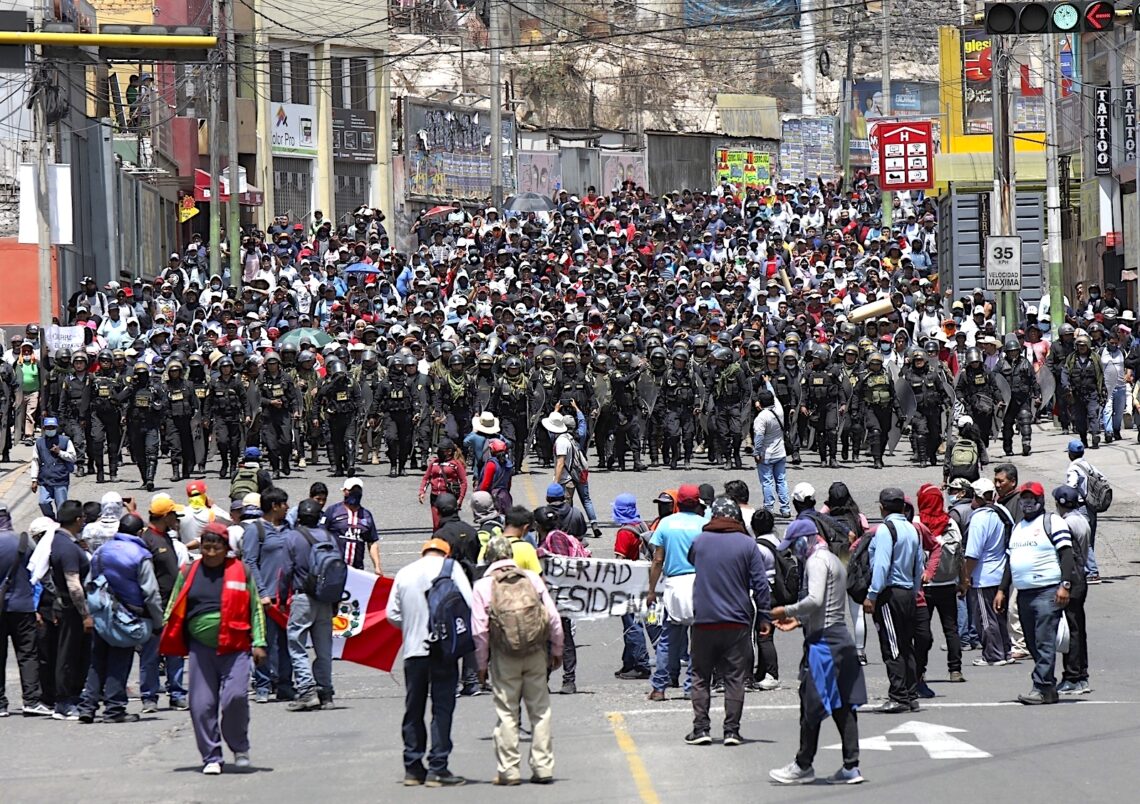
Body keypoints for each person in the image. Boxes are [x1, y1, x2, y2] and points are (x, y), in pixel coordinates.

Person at [160, 522, 267, 774]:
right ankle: (211, 756)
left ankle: (239, 746)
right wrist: (166, 632)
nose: (210, 553)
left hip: (236, 646)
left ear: (225, 548)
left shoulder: (242, 571)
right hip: (201, 649)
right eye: (206, 547)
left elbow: (256, 610)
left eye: (215, 547)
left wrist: (260, 642)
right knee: (201, 704)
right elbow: (174, 604)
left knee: (235, 698)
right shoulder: (188, 571)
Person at [769, 519, 866, 785]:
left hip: (824, 643)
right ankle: (851, 765)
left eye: (795, 545)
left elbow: (815, 599)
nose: (794, 552)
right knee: (843, 704)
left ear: (806, 540)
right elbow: (827, 603)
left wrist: (786, 610)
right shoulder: (834, 559)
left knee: (811, 702)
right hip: (839, 636)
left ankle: (803, 764)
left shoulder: (816, 561)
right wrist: (799, 621)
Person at [471, 534, 563, 786]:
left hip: (503, 656)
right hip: (535, 653)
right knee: (540, 711)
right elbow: (553, 617)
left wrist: (480, 666)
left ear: (489, 557)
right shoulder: (532, 579)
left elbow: (479, 631)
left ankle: (509, 771)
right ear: (511, 557)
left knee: (507, 713)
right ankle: (543, 768)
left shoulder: (482, 586)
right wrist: (557, 649)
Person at [684, 497, 771, 747]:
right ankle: (731, 731)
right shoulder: (747, 544)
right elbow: (760, 584)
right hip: (737, 621)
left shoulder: (700, 541)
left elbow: (692, 560)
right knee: (735, 677)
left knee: (700, 675)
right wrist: (764, 615)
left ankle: (701, 728)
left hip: (704, 619)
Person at [387, 537, 473, 788]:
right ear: (445, 554)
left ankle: (413, 769)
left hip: (414, 651)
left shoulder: (404, 572)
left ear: (423, 553)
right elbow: (467, 605)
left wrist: (411, 626)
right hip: (444, 650)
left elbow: (391, 613)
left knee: (413, 709)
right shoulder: (452, 569)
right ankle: (438, 767)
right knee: (442, 708)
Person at [77, 515, 165, 724]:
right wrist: (158, 621)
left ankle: (87, 707)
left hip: (101, 612)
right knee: (120, 660)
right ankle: (114, 709)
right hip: (127, 616)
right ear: (140, 532)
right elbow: (150, 592)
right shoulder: (140, 554)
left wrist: (90, 613)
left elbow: (89, 582)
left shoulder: (102, 551)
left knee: (97, 660)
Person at [997, 482, 1075, 705]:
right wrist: (1002, 589)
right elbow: (1010, 561)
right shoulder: (1018, 526)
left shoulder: (1052, 522)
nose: (1027, 503)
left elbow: (1067, 554)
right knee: (1031, 642)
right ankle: (1049, 688)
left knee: (1044, 641)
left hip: (1047, 592)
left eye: (1032, 499)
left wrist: (1065, 585)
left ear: (1040, 501)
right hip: (1024, 594)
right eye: (1024, 499)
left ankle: (1040, 687)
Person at [862, 487, 925, 713]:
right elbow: (919, 564)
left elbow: (881, 564)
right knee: (906, 645)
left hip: (890, 593)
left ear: (882, 507)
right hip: (909, 592)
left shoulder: (885, 530)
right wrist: (915, 590)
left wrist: (872, 594)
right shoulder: (912, 529)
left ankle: (898, 696)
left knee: (892, 646)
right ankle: (910, 694)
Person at [645, 484, 705, 701]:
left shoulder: (666, 524)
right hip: (699, 584)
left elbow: (657, 559)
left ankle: (659, 687)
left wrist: (651, 590)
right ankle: (691, 686)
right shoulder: (704, 524)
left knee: (668, 639)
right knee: (698, 639)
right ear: (698, 503)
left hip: (674, 584)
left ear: (677, 502)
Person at [285, 499, 339, 711]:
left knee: (296, 643)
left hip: (302, 597)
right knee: (324, 648)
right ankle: (326, 692)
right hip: (325, 598)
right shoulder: (329, 537)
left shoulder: (293, 537)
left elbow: (286, 571)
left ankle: (307, 691)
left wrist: (281, 597)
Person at [241, 486, 294, 704]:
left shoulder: (289, 528)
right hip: (267, 598)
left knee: (288, 643)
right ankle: (263, 684)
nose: (287, 507)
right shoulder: (256, 530)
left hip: (287, 598)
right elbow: (249, 562)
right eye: (284, 504)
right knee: (265, 642)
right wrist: (261, 592)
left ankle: (285, 684)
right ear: (274, 506)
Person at [0, 503, 51, 717]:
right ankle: (31, 700)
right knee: (27, 654)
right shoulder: (22, 541)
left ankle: (0, 704)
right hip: (23, 605)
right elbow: (38, 571)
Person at [139, 494, 189, 713]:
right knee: (151, 654)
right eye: (174, 515)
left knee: (175, 653)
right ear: (165, 516)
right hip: (153, 608)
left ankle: (177, 693)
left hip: (173, 605)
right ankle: (149, 697)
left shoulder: (167, 537)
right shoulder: (147, 540)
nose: (176, 518)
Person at [534, 505, 589, 695]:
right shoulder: (549, 537)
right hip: (551, 597)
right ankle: (544, 680)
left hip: (558, 598)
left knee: (562, 639)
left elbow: (560, 564)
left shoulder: (554, 538)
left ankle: (568, 680)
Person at [916, 483, 966, 684]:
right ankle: (955, 670)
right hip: (948, 582)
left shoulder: (917, 523)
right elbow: (959, 555)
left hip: (924, 585)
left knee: (921, 631)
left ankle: (920, 670)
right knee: (951, 628)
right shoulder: (950, 523)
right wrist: (963, 580)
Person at [45, 500, 91, 720]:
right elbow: (73, 584)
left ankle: (71, 697)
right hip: (70, 609)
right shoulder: (66, 547)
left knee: (76, 654)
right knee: (67, 655)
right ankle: (63, 702)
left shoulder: (64, 542)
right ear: (77, 519)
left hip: (66, 606)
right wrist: (85, 614)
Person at [1052, 485, 1091, 695]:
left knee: (1071, 629)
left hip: (1073, 578)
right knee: (1078, 628)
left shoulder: (1066, 524)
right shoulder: (1082, 520)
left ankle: (1073, 676)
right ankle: (1081, 675)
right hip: (1080, 576)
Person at [612, 493, 655, 679]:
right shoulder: (643, 525)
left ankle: (641, 664)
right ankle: (628, 662)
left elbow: (619, 561)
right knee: (635, 622)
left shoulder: (624, 533)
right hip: (645, 580)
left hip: (629, 584)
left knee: (632, 625)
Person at [548, 407, 601, 539]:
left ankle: (567, 531)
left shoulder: (561, 440)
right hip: (579, 472)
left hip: (567, 478)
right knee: (587, 499)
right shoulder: (579, 436)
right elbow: (582, 424)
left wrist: (555, 482)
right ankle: (594, 524)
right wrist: (578, 410)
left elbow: (560, 463)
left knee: (566, 506)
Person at [1064, 439, 1102, 583]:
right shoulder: (1088, 465)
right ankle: (1088, 569)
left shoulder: (1073, 468)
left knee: (1083, 541)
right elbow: (1102, 478)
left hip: (1081, 506)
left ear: (1070, 454)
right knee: (1089, 539)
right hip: (1092, 506)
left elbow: (1071, 486)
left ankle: (1092, 572)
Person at [324, 477, 381, 573]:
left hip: (357, 571)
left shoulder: (366, 515)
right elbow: (320, 535)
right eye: (351, 490)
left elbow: (372, 542)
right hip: (334, 569)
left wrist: (377, 567)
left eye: (357, 490)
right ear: (345, 491)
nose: (355, 493)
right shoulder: (333, 511)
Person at [752, 389, 790, 516]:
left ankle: (769, 508)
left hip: (766, 455)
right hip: (780, 452)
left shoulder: (761, 417)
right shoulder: (779, 409)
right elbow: (773, 393)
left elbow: (759, 437)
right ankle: (785, 508)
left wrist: (756, 453)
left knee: (767, 482)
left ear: (760, 403)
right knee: (781, 480)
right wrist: (767, 382)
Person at [30, 417, 76, 518]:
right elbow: (35, 461)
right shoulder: (39, 442)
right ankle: (51, 519)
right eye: (48, 427)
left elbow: (73, 457)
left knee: (61, 508)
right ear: (43, 428)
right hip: (45, 480)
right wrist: (34, 479)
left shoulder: (65, 441)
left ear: (56, 428)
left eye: (52, 427)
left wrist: (60, 452)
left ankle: (61, 526)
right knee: (43, 502)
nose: (50, 430)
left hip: (60, 479)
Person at [418, 440, 468, 530]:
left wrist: (460, 499)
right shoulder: (434, 462)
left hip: (448, 497)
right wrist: (422, 492)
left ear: (449, 451)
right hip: (435, 497)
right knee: (436, 525)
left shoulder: (456, 464)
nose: (439, 451)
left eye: (442, 449)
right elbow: (426, 478)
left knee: (448, 524)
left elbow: (463, 482)